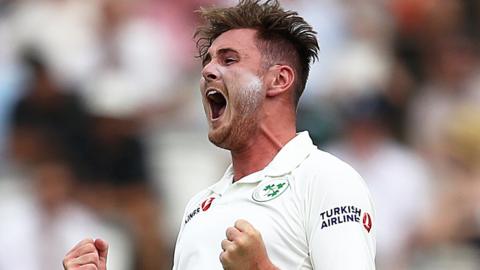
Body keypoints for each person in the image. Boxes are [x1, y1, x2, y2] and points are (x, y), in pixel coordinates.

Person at [63, 0, 376, 269]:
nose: (208, 72)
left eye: (229, 60)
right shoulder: (199, 206)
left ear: (278, 80)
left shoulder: (325, 179)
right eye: (207, 61)